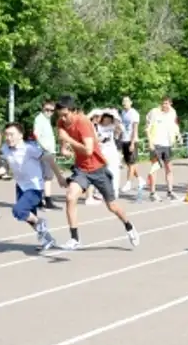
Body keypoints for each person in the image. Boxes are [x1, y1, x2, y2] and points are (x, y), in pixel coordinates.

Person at [55, 95, 139, 250]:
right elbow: (63, 140)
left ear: (74, 111)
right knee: (70, 197)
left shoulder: (83, 123)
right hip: (81, 169)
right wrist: (64, 148)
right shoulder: (61, 122)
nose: (63, 119)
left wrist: (69, 140)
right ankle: (74, 238)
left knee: (112, 206)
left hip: (98, 168)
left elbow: (88, 150)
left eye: (66, 115)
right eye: (60, 115)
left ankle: (128, 225)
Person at [0, 123, 66, 251]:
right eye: (6, 134)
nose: (8, 137)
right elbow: (5, 167)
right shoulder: (5, 148)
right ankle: (48, 239)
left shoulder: (29, 149)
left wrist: (59, 177)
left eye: (11, 134)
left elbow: (49, 158)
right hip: (21, 186)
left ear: (20, 136)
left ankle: (41, 222)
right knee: (29, 217)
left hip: (34, 187)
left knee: (19, 211)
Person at [144, 96, 180, 201]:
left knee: (169, 168)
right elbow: (147, 128)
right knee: (155, 168)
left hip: (167, 144)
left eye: (167, 104)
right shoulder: (154, 112)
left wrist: (178, 135)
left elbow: (175, 125)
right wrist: (150, 142)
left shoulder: (173, 112)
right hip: (156, 143)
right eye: (163, 103)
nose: (165, 105)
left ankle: (170, 191)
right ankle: (152, 193)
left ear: (170, 104)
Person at [119, 96, 145, 194]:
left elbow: (135, 129)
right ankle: (140, 179)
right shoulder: (123, 113)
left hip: (131, 140)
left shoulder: (134, 113)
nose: (124, 103)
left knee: (131, 163)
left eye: (126, 101)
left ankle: (128, 183)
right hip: (124, 140)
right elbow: (122, 128)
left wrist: (133, 143)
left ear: (131, 102)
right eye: (123, 101)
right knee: (129, 163)